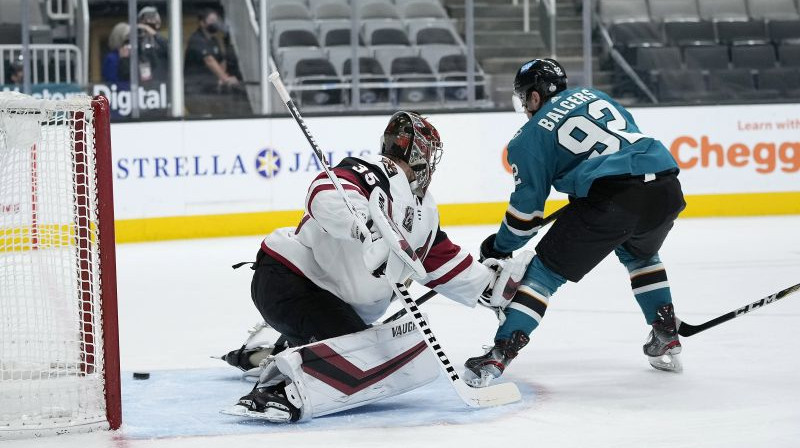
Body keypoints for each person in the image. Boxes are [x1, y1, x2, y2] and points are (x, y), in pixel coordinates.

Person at [224, 111, 530, 422]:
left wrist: (489, 285)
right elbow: (324, 194)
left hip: (330, 302)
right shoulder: (371, 172)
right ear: (418, 153)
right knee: (362, 361)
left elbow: (441, 261)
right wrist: (366, 228)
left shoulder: (424, 210)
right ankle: (275, 392)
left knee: (368, 349)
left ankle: (281, 348)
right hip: (290, 281)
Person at [464, 58, 687, 386]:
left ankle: (500, 354)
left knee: (542, 274)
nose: (525, 106)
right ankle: (665, 331)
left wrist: (498, 247)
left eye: (525, 98)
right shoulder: (594, 96)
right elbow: (624, 140)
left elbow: (526, 216)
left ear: (536, 97)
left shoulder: (527, 138)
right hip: (665, 186)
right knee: (641, 255)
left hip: (615, 198)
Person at [183, 8, 240, 115]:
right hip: (195, 90)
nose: (215, 23)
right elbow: (210, 60)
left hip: (209, 90)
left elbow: (221, 61)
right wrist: (226, 79)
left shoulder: (214, 40)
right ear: (202, 23)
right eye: (212, 20)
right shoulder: (196, 40)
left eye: (216, 20)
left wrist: (221, 79)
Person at [136, 6, 169, 86]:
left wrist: (154, 34)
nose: (151, 21)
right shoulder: (137, 40)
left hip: (163, 83)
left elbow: (171, 50)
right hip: (143, 84)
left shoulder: (161, 39)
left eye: (153, 18)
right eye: (147, 19)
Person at [101, 22, 131, 87]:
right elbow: (112, 82)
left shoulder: (133, 57)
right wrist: (123, 60)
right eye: (127, 37)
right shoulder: (111, 58)